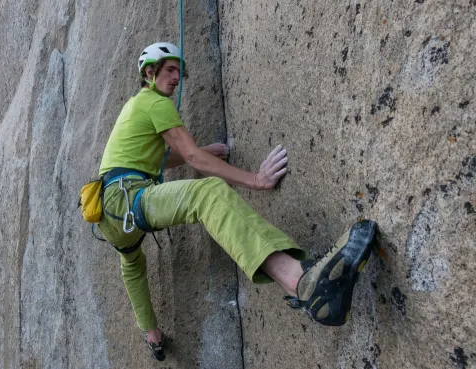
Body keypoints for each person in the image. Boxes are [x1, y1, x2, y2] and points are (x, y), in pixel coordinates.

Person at [96, 42, 377, 361]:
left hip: (111, 215)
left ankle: (151, 335)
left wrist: (200, 151)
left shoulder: (135, 108)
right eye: (170, 69)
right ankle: (302, 281)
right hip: (128, 198)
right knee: (207, 193)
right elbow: (190, 156)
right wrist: (254, 179)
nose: (177, 78)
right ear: (150, 72)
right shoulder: (153, 101)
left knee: (131, 264)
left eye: (179, 72)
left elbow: (159, 157)